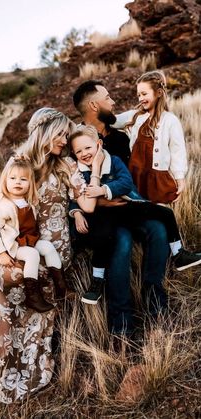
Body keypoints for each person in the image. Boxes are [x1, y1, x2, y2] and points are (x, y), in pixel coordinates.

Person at [0, 107, 101, 402]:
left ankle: (18, 363)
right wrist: (1, 251)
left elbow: (88, 206)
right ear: (44, 130)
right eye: (61, 133)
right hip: (19, 249)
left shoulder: (65, 165)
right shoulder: (18, 165)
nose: (65, 140)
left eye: (67, 134)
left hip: (52, 253)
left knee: (0, 282)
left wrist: (94, 176)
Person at [72, 80, 171, 337]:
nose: (113, 101)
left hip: (127, 206)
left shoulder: (118, 137)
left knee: (158, 229)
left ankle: (155, 305)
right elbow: (71, 185)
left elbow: (130, 176)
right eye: (108, 97)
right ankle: (122, 324)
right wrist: (97, 201)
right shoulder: (77, 142)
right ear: (94, 105)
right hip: (102, 215)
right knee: (122, 241)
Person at [69, 125, 201, 304]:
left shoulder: (113, 161)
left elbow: (125, 183)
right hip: (101, 215)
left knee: (165, 213)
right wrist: (76, 212)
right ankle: (97, 280)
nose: (84, 153)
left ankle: (179, 253)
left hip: (125, 206)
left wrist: (103, 189)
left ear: (99, 145)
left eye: (88, 147)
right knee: (103, 238)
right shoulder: (77, 173)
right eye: (78, 151)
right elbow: (75, 196)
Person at [0, 154, 73, 313]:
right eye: (12, 178)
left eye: (23, 179)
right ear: (5, 181)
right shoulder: (2, 205)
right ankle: (33, 296)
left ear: (30, 184)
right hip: (15, 245)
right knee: (32, 255)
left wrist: (25, 159)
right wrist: (1, 253)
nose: (17, 182)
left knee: (47, 246)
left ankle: (62, 288)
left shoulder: (28, 200)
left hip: (30, 239)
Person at [113, 70, 188, 204]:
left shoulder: (170, 120)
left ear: (159, 93)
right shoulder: (135, 115)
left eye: (144, 94)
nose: (140, 98)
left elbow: (177, 151)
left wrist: (180, 177)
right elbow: (112, 121)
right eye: (138, 95)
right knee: (138, 207)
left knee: (158, 209)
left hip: (156, 177)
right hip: (136, 172)